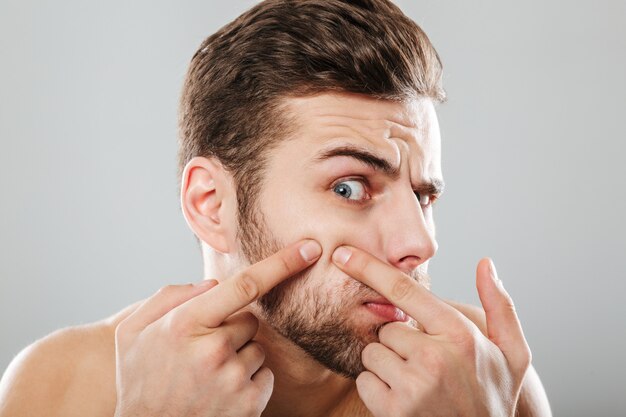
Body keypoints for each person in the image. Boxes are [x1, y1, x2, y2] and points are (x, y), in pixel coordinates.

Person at [0, 1, 552, 416]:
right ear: (211, 204)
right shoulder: (63, 387)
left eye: (423, 196)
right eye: (350, 187)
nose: (420, 242)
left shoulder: (482, 379)